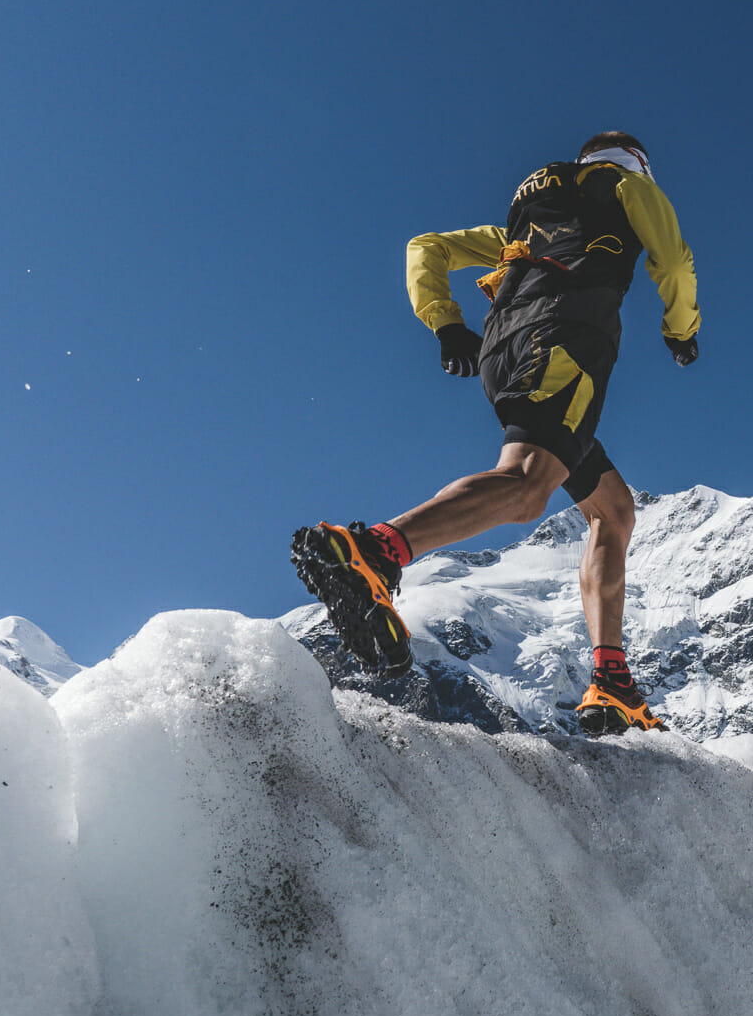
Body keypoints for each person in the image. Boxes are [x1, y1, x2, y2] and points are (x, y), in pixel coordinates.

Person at [290, 132, 699, 736]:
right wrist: (681, 327)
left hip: (505, 349)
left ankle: (611, 680)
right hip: (563, 340)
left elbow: (425, 245)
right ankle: (375, 550)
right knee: (529, 484)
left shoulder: (525, 228)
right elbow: (673, 257)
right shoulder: (627, 186)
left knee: (611, 510)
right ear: (634, 164)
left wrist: (446, 323)